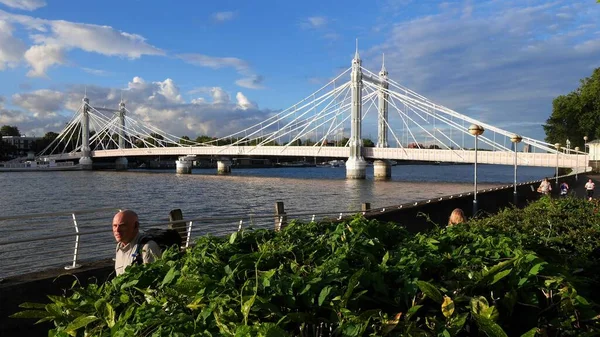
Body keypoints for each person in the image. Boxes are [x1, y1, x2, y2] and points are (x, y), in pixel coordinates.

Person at [113, 210, 161, 275]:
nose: (117, 230)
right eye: (115, 226)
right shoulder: (119, 247)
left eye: (122, 225)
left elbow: (153, 278)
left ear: (136, 226)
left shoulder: (147, 247)